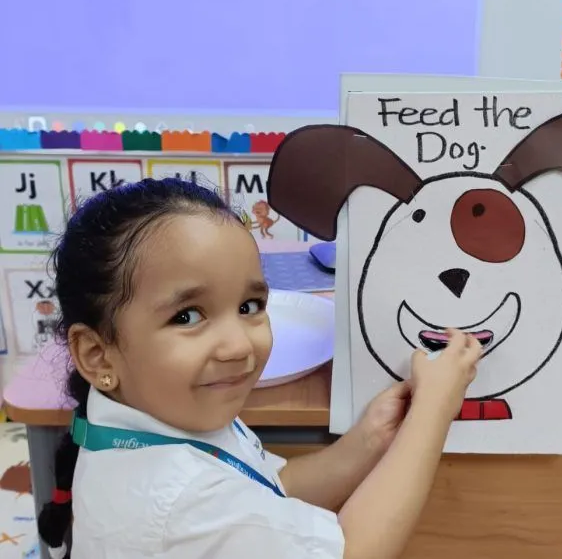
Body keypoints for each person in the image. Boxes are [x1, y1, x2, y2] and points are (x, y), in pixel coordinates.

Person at [37, 177, 482, 558]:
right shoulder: (179, 500)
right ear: (97, 355)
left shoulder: (168, 414)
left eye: (249, 306)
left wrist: (369, 440)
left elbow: (269, 485)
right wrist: (434, 409)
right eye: (187, 316)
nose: (237, 346)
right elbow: (354, 550)